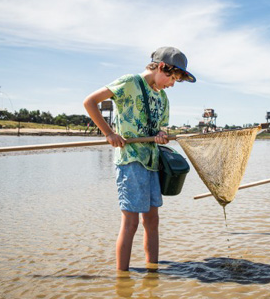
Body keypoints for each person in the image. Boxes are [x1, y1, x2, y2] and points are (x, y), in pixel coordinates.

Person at [83, 47, 196, 271]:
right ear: (162, 67)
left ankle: (152, 272)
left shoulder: (162, 97)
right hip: (130, 161)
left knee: (152, 221)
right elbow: (90, 102)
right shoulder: (129, 83)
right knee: (131, 222)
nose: (172, 84)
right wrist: (109, 133)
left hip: (153, 161)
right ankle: (122, 278)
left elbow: (159, 129)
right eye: (172, 78)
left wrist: (162, 135)